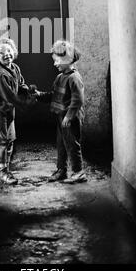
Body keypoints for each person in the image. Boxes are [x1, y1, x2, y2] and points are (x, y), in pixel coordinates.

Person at [35, 40, 86, 183]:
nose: (55, 64)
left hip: (71, 117)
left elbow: (78, 100)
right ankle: (61, 170)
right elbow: (53, 96)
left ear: (68, 59)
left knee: (71, 144)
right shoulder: (59, 77)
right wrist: (39, 95)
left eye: (57, 61)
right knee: (61, 144)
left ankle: (78, 172)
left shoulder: (74, 78)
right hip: (61, 116)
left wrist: (69, 117)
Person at [0, 37, 36, 185]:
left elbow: (20, 83)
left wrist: (28, 90)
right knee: (2, 140)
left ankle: (6, 167)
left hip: (9, 108)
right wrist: (26, 104)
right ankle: (3, 172)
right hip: (0, 108)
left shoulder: (15, 68)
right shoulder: (0, 74)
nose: (6, 54)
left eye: (8, 51)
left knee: (10, 139)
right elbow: (10, 96)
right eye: (1, 53)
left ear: (13, 51)